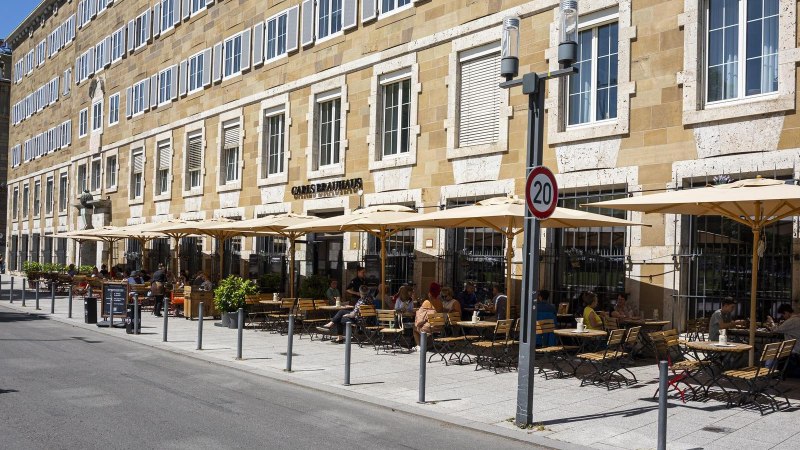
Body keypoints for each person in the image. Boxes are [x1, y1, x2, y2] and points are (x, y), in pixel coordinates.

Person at [772, 304, 800, 376]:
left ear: (786, 312)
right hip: (797, 346)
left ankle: (770, 372)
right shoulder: (797, 318)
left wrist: (771, 322)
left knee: (771, 351)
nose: (783, 317)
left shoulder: (791, 321)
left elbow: (776, 330)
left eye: (783, 315)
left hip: (795, 348)